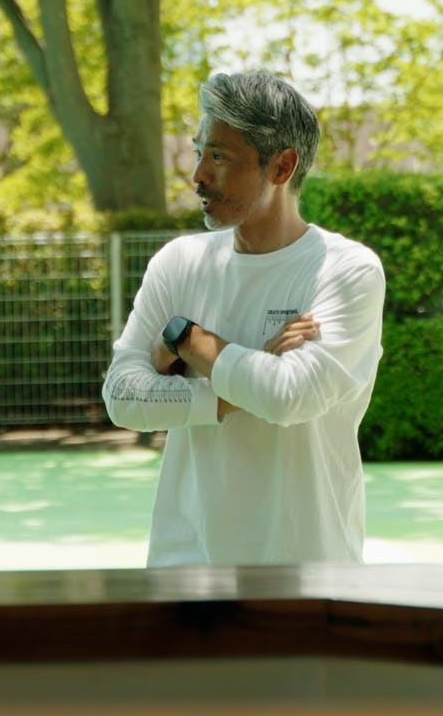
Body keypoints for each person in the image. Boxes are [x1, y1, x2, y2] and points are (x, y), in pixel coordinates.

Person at [101, 71, 385, 568]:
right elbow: (123, 396)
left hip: (308, 570)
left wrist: (186, 343)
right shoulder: (179, 262)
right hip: (184, 566)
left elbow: (288, 396)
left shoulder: (347, 270)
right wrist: (244, 373)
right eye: (199, 153)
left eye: (219, 157)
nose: (198, 175)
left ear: (282, 166)